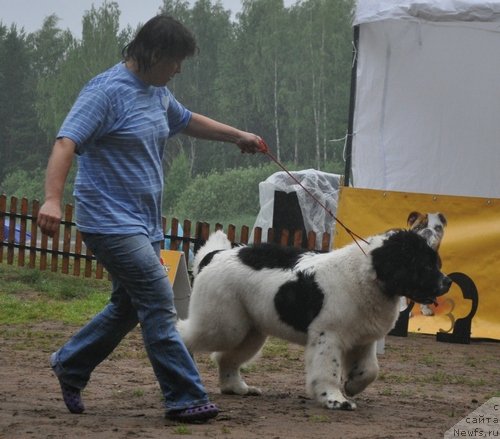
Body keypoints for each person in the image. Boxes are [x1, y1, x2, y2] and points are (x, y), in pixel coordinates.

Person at [37, 14, 266, 423]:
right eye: (175, 61)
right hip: (107, 220)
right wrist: (52, 200)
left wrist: (238, 136)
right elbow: (65, 142)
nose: (178, 69)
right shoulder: (106, 92)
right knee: (160, 301)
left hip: (144, 222)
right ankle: (185, 397)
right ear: (154, 54)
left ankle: (70, 364)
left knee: (128, 307)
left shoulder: (156, 92)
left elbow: (187, 120)